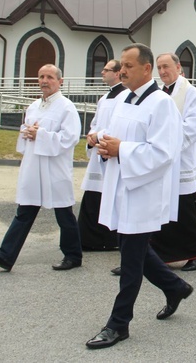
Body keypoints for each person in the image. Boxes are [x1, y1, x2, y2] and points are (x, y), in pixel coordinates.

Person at [86, 44, 193, 349]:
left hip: (143, 191)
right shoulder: (123, 100)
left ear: (146, 69)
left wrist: (123, 150)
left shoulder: (162, 104)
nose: (122, 71)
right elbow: (116, 138)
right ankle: (175, 287)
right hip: (121, 186)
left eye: (129, 66)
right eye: (121, 66)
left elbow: (165, 152)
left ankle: (118, 324)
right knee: (131, 246)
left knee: (131, 258)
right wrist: (104, 145)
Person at [0, 64, 83, 272]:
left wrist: (41, 135)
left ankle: (73, 255)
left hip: (54, 168)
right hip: (34, 166)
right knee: (24, 211)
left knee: (64, 214)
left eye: (49, 77)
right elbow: (27, 131)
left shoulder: (66, 107)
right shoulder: (34, 106)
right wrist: (27, 132)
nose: (44, 81)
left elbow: (70, 138)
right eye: (41, 77)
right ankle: (5, 255)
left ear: (60, 81)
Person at [149, 52, 196, 271]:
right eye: (159, 68)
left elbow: (192, 126)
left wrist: (166, 142)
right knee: (160, 208)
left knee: (184, 211)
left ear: (178, 67)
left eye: (166, 67)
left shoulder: (189, 92)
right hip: (161, 160)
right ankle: (159, 254)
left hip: (180, 159)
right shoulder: (157, 93)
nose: (162, 72)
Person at [77, 59, 125, 252]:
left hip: (109, 150)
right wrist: (91, 136)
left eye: (106, 70)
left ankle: (109, 238)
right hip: (98, 149)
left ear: (117, 73)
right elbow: (96, 123)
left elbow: (117, 126)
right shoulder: (104, 98)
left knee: (110, 195)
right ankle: (89, 238)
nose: (102, 73)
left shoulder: (125, 96)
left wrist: (99, 137)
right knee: (92, 194)